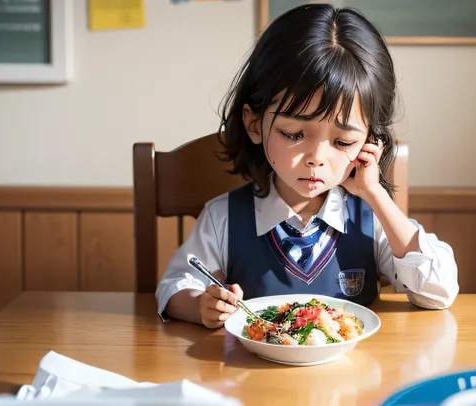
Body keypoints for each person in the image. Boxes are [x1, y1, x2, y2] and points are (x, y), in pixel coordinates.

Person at [156, 4, 459, 328]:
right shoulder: (223, 218)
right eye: (293, 134)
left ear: (368, 141)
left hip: (359, 375)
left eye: (342, 142)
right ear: (255, 124)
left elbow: (438, 291)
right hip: (251, 373)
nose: (317, 158)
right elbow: (174, 288)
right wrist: (201, 305)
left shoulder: (369, 220)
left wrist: (375, 194)